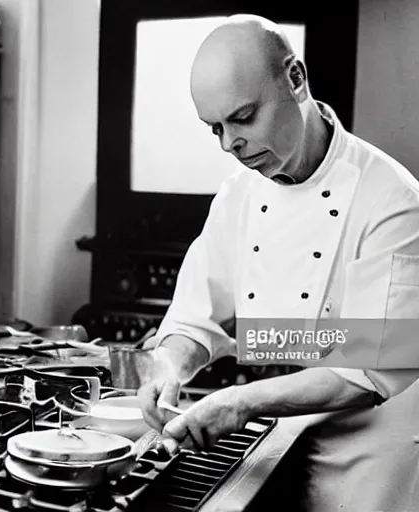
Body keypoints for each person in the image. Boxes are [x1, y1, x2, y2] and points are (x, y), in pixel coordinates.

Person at [137, 14, 419, 511]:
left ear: (295, 78)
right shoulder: (238, 196)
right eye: (216, 129)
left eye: (243, 119)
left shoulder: (391, 199)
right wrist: (168, 367)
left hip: (369, 456)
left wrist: (239, 401)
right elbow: (196, 318)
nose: (230, 145)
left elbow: (370, 366)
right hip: (274, 438)